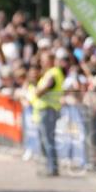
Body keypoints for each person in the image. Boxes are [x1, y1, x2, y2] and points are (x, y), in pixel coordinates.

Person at [33, 48, 64, 176]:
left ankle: (52, 168)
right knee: (44, 141)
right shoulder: (50, 73)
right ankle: (49, 167)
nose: (41, 63)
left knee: (48, 141)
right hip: (45, 110)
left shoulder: (53, 73)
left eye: (43, 60)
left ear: (50, 61)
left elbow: (43, 89)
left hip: (49, 110)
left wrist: (37, 91)